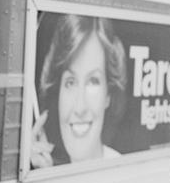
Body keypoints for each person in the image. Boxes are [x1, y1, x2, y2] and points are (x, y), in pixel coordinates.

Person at [31, 14, 127, 168]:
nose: (80, 107)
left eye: (93, 81)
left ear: (108, 95)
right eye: (70, 82)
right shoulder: (50, 167)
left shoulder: (122, 172)